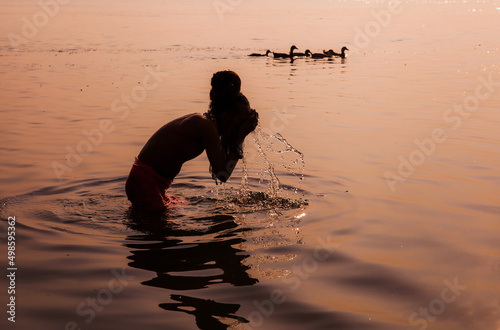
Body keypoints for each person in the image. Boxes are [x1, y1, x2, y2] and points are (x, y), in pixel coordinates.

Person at [125, 70, 259, 211]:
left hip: (151, 182)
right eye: (242, 120)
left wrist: (239, 134)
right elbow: (222, 174)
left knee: (180, 207)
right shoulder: (205, 126)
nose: (245, 124)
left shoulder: (207, 123)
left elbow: (220, 170)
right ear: (226, 117)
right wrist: (241, 136)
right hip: (145, 182)